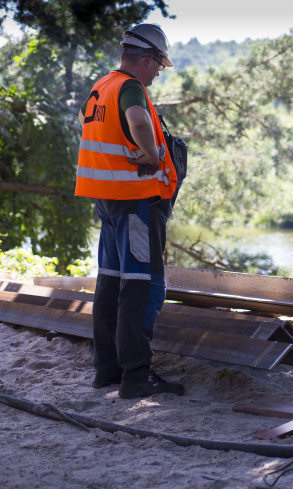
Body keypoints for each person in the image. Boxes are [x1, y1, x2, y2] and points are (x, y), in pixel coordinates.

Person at [75, 24, 184, 399]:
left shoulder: (101, 86)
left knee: (110, 282)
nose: (158, 73)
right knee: (142, 285)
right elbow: (137, 120)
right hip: (135, 200)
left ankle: (107, 371)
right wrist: (152, 155)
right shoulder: (130, 87)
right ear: (148, 58)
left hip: (107, 201)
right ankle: (136, 376)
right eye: (159, 65)